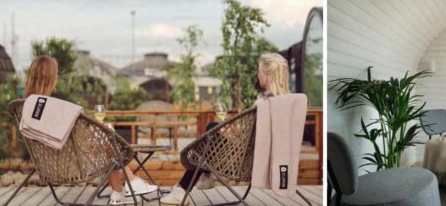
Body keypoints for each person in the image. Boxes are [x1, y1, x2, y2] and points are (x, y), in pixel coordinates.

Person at [23, 56, 157, 205]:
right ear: (50, 78)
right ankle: (131, 182)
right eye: (56, 73)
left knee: (106, 139)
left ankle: (118, 191)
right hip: (71, 164)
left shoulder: (28, 107)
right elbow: (73, 133)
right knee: (108, 136)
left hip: (49, 165)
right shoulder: (51, 107)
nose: (57, 77)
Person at [160, 53, 291, 205]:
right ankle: (199, 179)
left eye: (259, 71)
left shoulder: (263, 102)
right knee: (213, 131)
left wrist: (229, 129)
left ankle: (185, 187)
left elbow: (246, 138)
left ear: (266, 75)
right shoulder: (288, 103)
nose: (258, 75)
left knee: (211, 132)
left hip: (244, 161)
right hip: (266, 158)